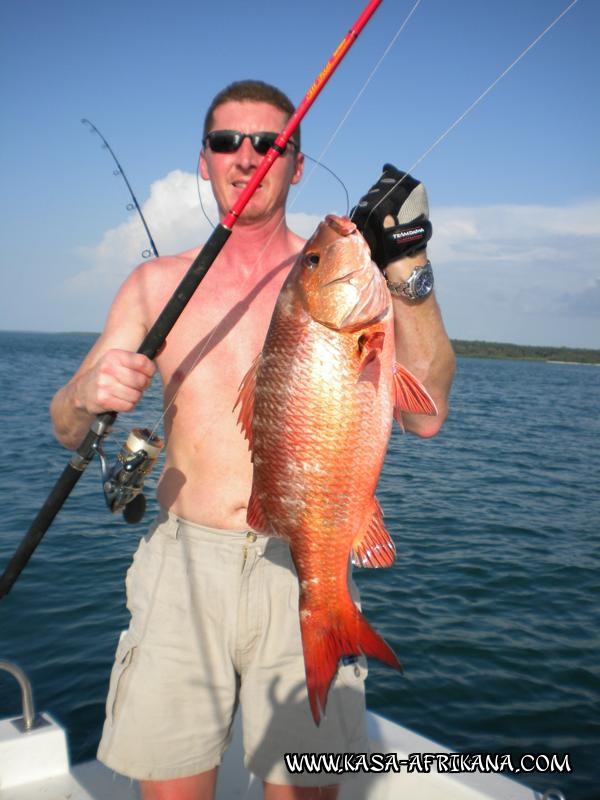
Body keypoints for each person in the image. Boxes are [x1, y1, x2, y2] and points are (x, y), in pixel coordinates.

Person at [50, 80, 455, 800]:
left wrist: (409, 273)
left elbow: (425, 418)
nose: (248, 157)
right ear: (203, 160)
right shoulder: (154, 284)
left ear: (297, 164)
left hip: (302, 556)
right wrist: (85, 394)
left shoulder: (350, 280)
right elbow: (65, 428)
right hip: (183, 568)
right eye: (226, 142)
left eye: (271, 143)